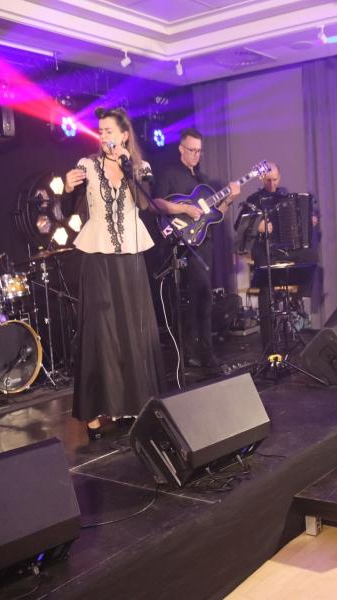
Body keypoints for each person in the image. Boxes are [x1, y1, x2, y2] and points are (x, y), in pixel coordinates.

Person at [63, 107, 165, 440]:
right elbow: (67, 210)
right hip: (98, 258)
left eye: (109, 130)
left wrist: (127, 166)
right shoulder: (87, 165)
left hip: (130, 256)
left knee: (133, 331)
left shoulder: (140, 167)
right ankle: (96, 410)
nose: (104, 135)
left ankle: (134, 405)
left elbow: (144, 205)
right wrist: (67, 189)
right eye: (101, 130)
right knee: (101, 333)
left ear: (124, 135)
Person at [152, 128, 240, 368]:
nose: (196, 155)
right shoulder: (170, 174)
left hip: (203, 245)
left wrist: (229, 199)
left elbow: (215, 216)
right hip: (181, 243)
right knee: (200, 296)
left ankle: (197, 352)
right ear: (181, 149)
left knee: (203, 298)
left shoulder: (203, 181)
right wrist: (185, 209)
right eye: (191, 150)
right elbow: (155, 204)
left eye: (199, 151)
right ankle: (204, 355)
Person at [241, 162, 318, 352]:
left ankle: (296, 298)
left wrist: (308, 221)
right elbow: (240, 226)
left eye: (275, 179)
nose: (272, 184)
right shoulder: (253, 200)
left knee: (310, 254)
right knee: (265, 282)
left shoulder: (284, 197)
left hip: (284, 247)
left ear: (279, 178)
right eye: (268, 180)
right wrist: (258, 226)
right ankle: (268, 344)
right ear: (262, 178)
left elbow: (296, 222)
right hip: (263, 248)